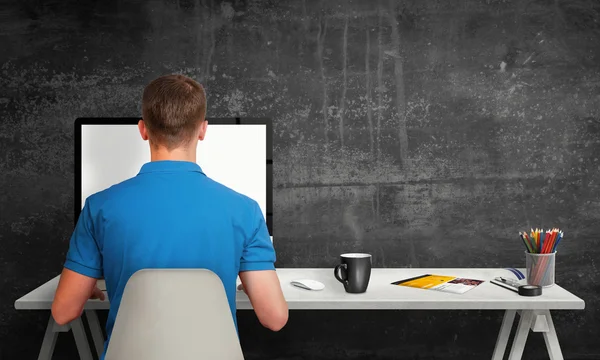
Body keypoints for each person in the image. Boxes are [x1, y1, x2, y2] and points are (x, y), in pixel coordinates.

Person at [51, 74, 288, 356]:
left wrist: (84, 283)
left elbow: (64, 312)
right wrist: (251, 286)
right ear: (202, 130)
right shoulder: (245, 210)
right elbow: (274, 318)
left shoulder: (99, 206)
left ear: (143, 130)